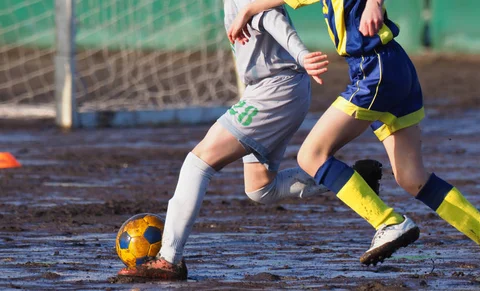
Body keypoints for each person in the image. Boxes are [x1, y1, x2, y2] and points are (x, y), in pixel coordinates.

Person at [228, 0, 480, 284]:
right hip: (393, 67)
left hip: (374, 70)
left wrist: (374, 3)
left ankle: (388, 222)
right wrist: (248, 10)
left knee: (311, 155)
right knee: (412, 178)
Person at [116, 0, 383, 280]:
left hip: (276, 89)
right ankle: (352, 179)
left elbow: (271, 20)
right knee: (260, 188)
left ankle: (169, 259)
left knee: (197, 163)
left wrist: (301, 54)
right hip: (278, 89)